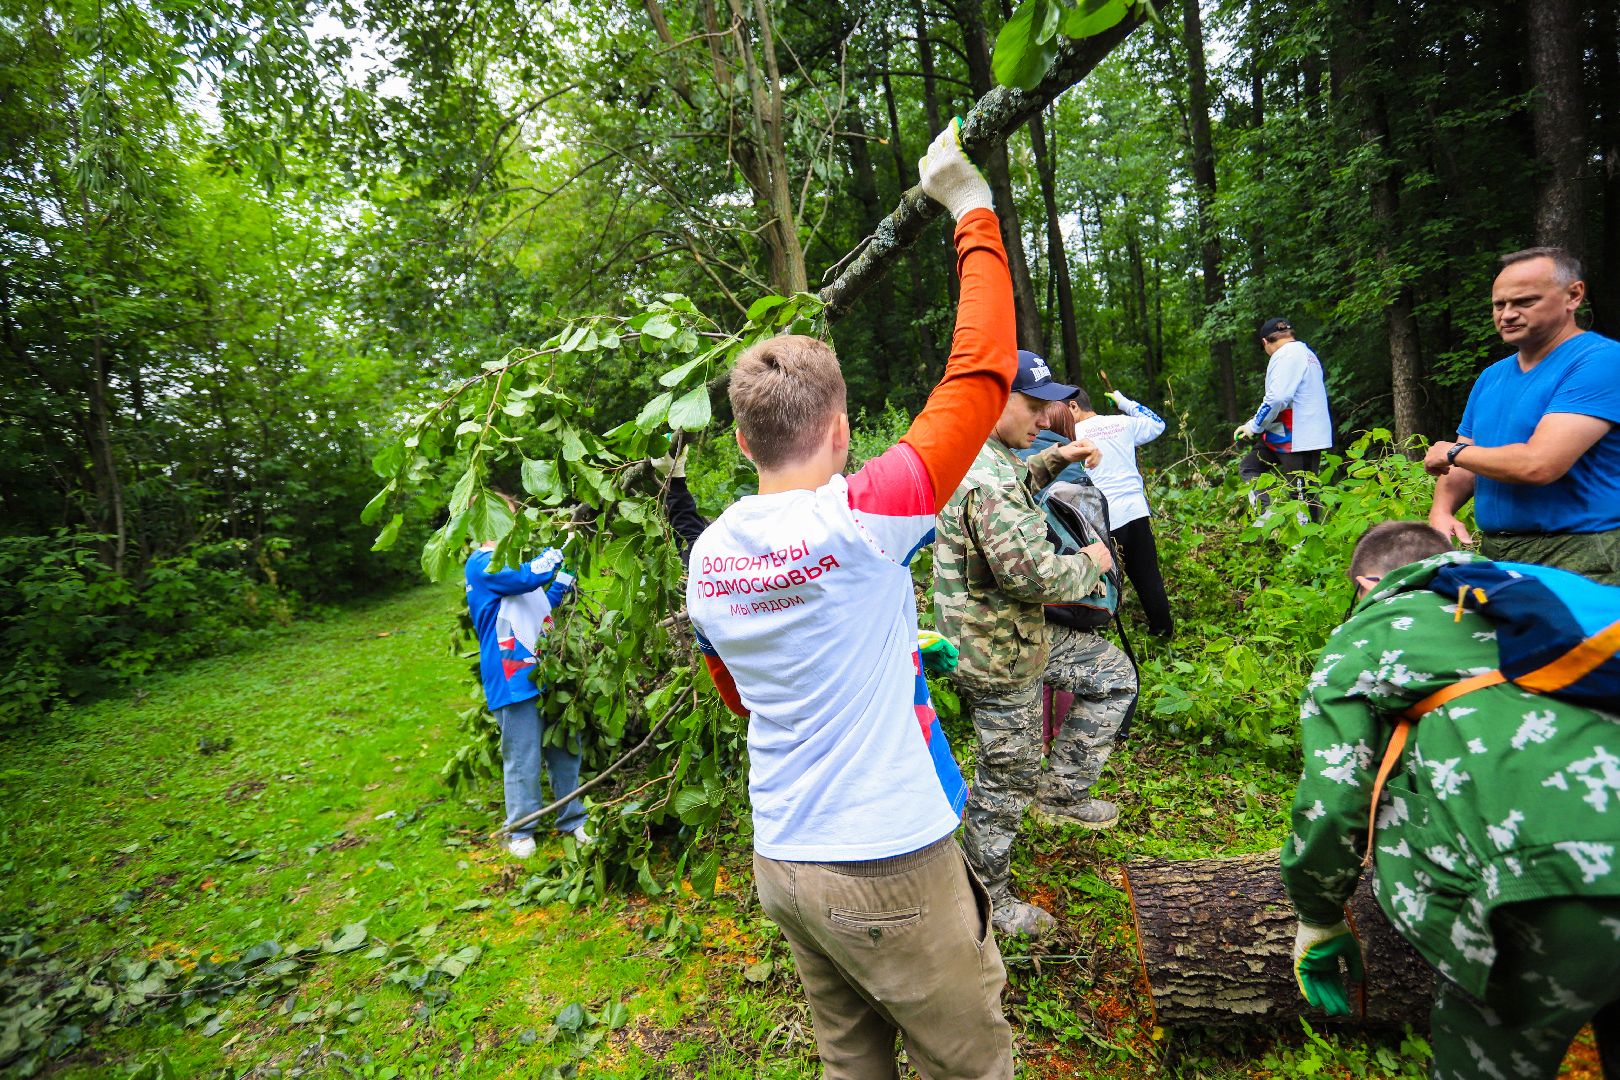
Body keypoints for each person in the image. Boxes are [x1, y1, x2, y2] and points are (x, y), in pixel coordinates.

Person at [685, 120, 1018, 1077]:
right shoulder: (867, 519)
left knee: (852, 1064)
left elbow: (747, 690)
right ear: (840, 429)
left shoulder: (708, 558)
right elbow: (984, 372)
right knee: (974, 1065)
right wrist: (970, 204)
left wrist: (896, 654)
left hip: (784, 857)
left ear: (743, 443)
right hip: (887, 865)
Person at [1280, 521, 1620, 1079]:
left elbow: (1336, 797)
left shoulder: (1379, 629)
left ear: (1367, 584)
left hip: (1544, 889)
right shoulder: (1558, 595)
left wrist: (1318, 915)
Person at [935, 348, 1137, 938]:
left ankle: (1063, 790)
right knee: (1006, 774)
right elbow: (1032, 576)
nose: (1046, 419)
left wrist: (1056, 458)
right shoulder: (988, 478)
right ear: (996, 401)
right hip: (996, 652)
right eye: (1034, 408)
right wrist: (1092, 562)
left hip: (1009, 633)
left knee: (1113, 676)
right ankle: (985, 902)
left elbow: (1014, 483)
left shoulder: (987, 457)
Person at [1425, 247, 1620, 585]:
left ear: (1573, 295)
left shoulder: (1601, 361)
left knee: (1581, 641)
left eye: (1524, 302)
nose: (1508, 314)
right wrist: (1441, 510)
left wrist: (1454, 453)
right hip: (1497, 552)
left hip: (1581, 553)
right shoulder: (1492, 376)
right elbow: (1462, 469)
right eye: (1499, 305)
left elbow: (1539, 464)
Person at [464, 507, 589, 858]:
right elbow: (526, 579)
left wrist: (564, 575)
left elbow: (539, 606)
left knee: (565, 748)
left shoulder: (514, 567)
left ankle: (573, 819)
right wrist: (563, 543)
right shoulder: (483, 562)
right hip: (512, 677)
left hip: (548, 672)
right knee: (523, 755)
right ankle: (522, 828)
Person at [1068, 386, 1171, 637]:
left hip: (1102, 517)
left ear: (1073, 406)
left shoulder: (1070, 433)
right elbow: (1157, 424)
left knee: (1101, 578)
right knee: (1147, 575)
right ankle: (1163, 632)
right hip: (1136, 510)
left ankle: (1102, 637)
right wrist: (1123, 401)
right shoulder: (1122, 422)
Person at [1234, 318, 1333, 521]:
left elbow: (1277, 397)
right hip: (1283, 434)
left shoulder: (1286, 355)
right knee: (1250, 467)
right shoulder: (1306, 353)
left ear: (1265, 342)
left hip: (1298, 439)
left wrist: (1253, 426)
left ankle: (1306, 544)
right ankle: (1268, 519)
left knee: (1302, 494)